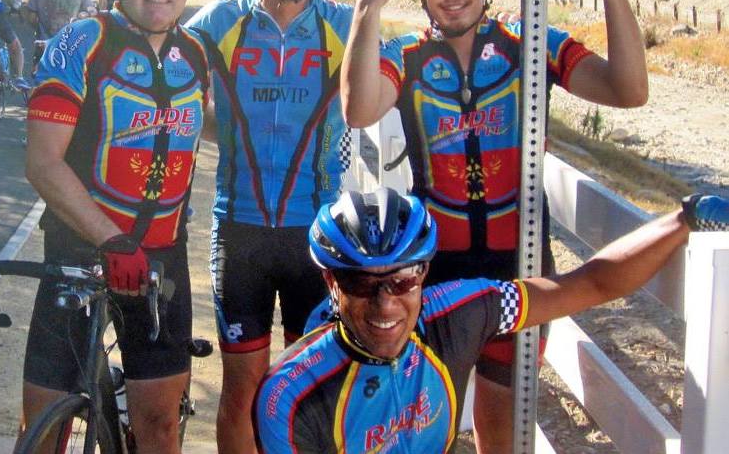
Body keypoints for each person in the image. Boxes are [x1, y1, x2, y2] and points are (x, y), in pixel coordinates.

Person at [340, 0, 648, 453]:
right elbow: (359, 108)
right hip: (434, 273)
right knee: (418, 421)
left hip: (518, 265)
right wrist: (368, 6)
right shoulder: (407, 56)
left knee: (499, 423)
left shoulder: (529, 45)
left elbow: (629, 90)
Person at [255, 188, 729, 453]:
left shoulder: (464, 313)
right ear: (331, 283)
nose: (385, 304)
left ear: (424, 273)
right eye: (360, 283)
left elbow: (590, 285)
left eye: (402, 280)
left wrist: (685, 218)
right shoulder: (289, 399)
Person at [22, 0, 207, 454]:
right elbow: (42, 162)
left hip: (161, 262)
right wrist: (110, 240)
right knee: (45, 432)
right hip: (80, 255)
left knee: (158, 428)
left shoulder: (196, 54)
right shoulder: (80, 44)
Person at [185, 0, 354, 454]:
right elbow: (165, 90)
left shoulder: (348, 26)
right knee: (243, 389)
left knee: (314, 390)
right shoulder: (216, 24)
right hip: (242, 236)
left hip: (317, 237)